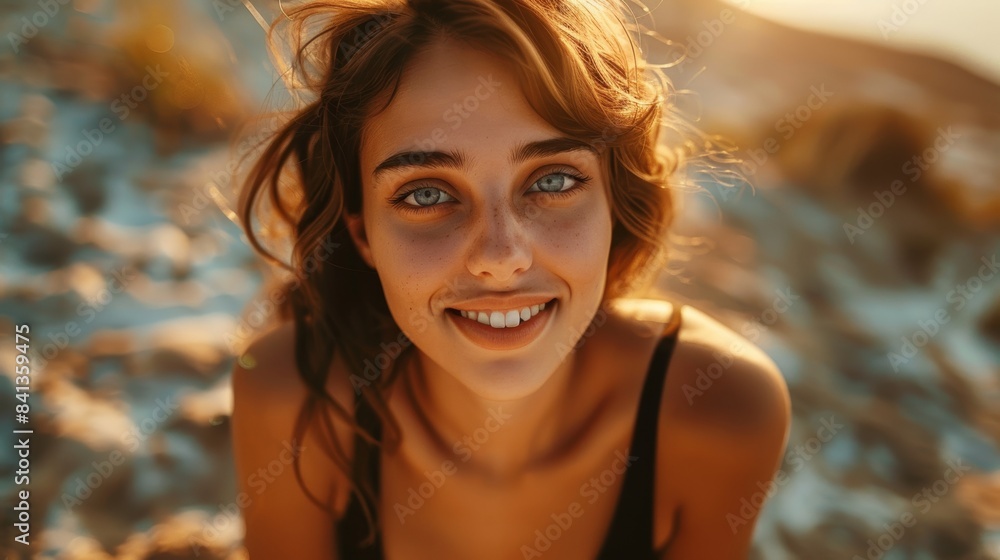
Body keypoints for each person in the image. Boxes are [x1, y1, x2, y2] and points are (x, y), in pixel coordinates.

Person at [229, 0, 791, 558]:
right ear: (363, 236)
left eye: (551, 181)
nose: (501, 256)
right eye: (427, 194)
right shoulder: (294, 400)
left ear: (613, 203)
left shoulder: (718, 412)